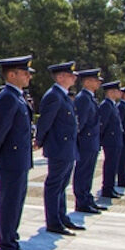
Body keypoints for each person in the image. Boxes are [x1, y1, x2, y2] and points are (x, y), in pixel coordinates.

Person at [0, 56, 38, 250]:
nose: (28, 77)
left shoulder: (17, 96)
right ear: (11, 75)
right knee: (9, 203)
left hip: (20, 159)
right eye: (24, 73)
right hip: (11, 159)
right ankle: (6, 248)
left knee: (16, 203)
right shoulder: (7, 97)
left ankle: (12, 241)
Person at [35, 62, 85, 235]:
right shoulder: (54, 96)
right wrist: (39, 140)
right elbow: (45, 121)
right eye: (71, 75)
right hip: (58, 146)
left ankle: (61, 216)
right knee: (55, 185)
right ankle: (53, 221)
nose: (74, 78)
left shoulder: (63, 95)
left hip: (67, 147)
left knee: (62, 184)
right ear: (60, 77)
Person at [72, 68, 105, 214]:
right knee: (83, 172)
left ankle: (87, 198)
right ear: (86, 82)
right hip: (86, 142)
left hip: (92, 141)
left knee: (89, 172)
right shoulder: (83, 98)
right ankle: (81, 201)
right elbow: (80, 123)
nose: (99, 83)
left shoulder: (90, 97)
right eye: (95, 80)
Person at [98, 81, 125, 200]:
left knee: (113, 165)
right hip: (110, 140)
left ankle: (110, 187)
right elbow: (102, 124)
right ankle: (107, 188)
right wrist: (101, 140)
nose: (120, 93)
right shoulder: (106, 105)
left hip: (115, 140)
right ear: (111, 92)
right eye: (118, 91)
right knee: (110, 165)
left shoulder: (112, 104)